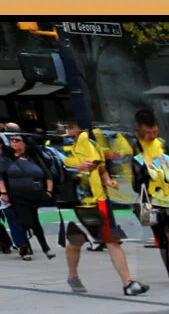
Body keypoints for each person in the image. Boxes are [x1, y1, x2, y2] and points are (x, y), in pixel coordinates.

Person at [62, 122, 147, 295]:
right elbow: (56, 169)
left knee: (106, 240)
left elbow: (100, 167)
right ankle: (125, 283)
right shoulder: (62, 146)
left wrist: (108, 180)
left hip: (100, 199)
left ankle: (126, 283)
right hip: (80, 200)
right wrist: (75, 167)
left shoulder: (92, 141)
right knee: (94, 239)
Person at [133, 109, 169, 285]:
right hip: (150, 199)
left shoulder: (162, 144)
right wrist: (148, 172)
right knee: (163, 238)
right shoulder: (136, 148)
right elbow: (137, 181)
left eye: (155, 131)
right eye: (147, 132)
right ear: (138, 129)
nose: (152, 135)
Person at [0, 130, 56, 259]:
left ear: (24, 143)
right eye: (11, 140)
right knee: (23, 221)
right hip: (16, 195)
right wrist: (3, 193)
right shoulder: (6, 158)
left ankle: (45, 246)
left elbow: (48, 176)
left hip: (35, 194)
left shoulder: (34, 157)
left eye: (16, 140)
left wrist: (49, 191)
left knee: (35, 221)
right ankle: (25, 248)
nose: (13, 143)